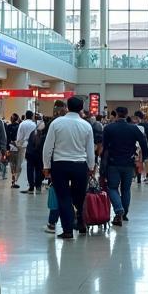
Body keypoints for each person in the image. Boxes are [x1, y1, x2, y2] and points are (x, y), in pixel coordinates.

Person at [42, 95, 95, 239]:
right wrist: (91, 166)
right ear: (81, 109)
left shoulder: (56, 123)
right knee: (79, 196)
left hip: (60, 165)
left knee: (64, 197)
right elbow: (90, 150)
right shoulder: (86, 125)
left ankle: (67, 230)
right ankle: (81, 221)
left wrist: (46, 165)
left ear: (67, 107)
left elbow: (48, 147)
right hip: (80, 165)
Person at [102, 107, 148, 226]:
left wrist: (102, 161)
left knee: (112, 187)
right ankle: (124, 214)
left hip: (113, 163)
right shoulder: (133, 128)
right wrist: (145, 158)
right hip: (129, 163)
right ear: (127, 115)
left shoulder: (109, 128)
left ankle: (118, 210)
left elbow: (104, 146)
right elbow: (143, 142)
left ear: (116, 115)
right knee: (126, 189)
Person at [23, 117, 46, 194]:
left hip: (30, 155)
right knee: (39, 170)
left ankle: (31, 187)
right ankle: (38, 186)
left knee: (30, 171)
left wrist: (26, 155)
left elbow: (29, 145)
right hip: (39, 156)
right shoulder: (44, 136)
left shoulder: (33, 133)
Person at [6, 112, 22, 188]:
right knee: (17, 164)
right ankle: (15, 180)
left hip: (11, 147)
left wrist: (7, 148)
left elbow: (7, 138)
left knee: (12, 164)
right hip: (18, 147)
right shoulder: (19, 126)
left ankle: (13, 180)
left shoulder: (8, 127)